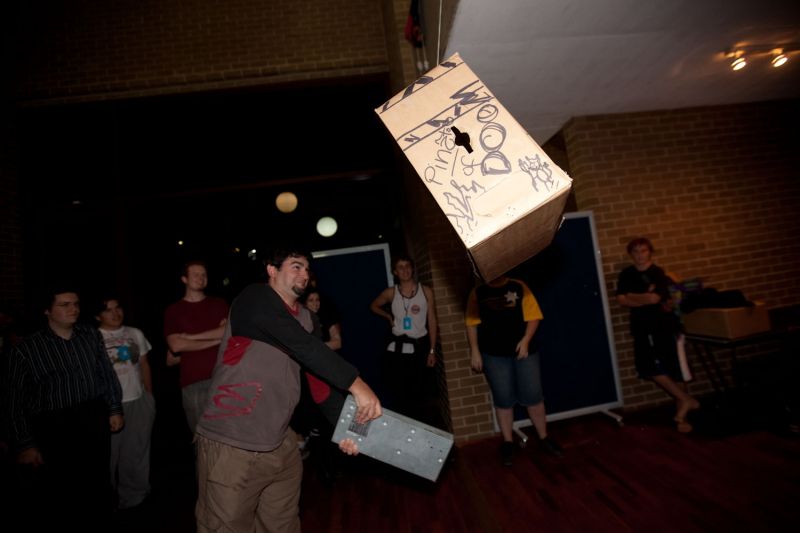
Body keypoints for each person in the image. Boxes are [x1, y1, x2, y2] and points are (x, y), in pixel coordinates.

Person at [194, 247, 381, 533]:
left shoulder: (307, 319)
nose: (304, 274)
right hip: (232, 441)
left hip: (281, 442)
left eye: (307, 268)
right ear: (272, 270)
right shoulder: (253, 299)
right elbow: (300, 344)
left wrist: (349, 428)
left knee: (283, 526)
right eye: (296, 266)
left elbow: (319, 382)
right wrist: (357, 383)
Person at [5, 287, 123, 530]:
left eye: (76, 304)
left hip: (92, 415)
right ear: (47, 310)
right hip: (54, 425)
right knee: (61, 489)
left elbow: (106, 373)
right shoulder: (26, 349)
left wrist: (114, 408)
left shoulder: (90, 335)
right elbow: (13, 400)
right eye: (64, 304)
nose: (73, 309)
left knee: (98, 481)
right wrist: (25, 443)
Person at [465, 275, 562, 467]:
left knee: (533, 396)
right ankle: (508, 443)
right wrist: (475, 351)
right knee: (503, 399)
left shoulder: (519, 286)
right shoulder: (478, 292)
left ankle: (544, 438)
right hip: (493, 355)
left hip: (524, 352)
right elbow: (471, 323)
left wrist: (526, 340)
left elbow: (534, 316)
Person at [616, 237, 700, 432]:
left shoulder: (658, 273)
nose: (640, 255)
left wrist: (633, 296)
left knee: (675, 370)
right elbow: (621, 300)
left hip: (664, 327)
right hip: (641, 328)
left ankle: (682, 417)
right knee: (647, 367)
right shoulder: (626, 274)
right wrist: (642, 297)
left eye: (644, 251)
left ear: (650, 252)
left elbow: (654, 299)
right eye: (636, 251)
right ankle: (686, 400)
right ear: (631, 254)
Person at [95, 296, 156, 510]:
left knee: (136, 451)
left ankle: (135, 495)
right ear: (97, 315)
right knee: (109, 455)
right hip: (110, 406)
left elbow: (144, 365)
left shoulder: (134, 333)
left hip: (138, 400)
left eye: (118, 307)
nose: (115, 313)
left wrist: (149, 396)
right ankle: (109, 498)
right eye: (108, 310)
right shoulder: (93, 338)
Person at [369, 255, 438, 419]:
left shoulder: (425, 291)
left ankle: (421, 424)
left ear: (412, 269)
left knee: (420, 392)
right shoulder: (391, 292)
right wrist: (388, 316)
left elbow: (432, 320)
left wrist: (432, 350)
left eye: (407, 266)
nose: (405, 270)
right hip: (397, 350)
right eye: (400, 267)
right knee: (400, 393)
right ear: (395, 272)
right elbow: (373, 305)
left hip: (419, 347)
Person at [163, 260, 228, 433]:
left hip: (224, 378)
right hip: (194, 383)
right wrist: (216, 339)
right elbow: (176, 345)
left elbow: (226, 332)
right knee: (202, 437)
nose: (201, 278)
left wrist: (191, 338)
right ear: (184, 279)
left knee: (230, 435)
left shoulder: (219, 304)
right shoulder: (174, 310)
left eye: (204, 275)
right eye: (195, 274)